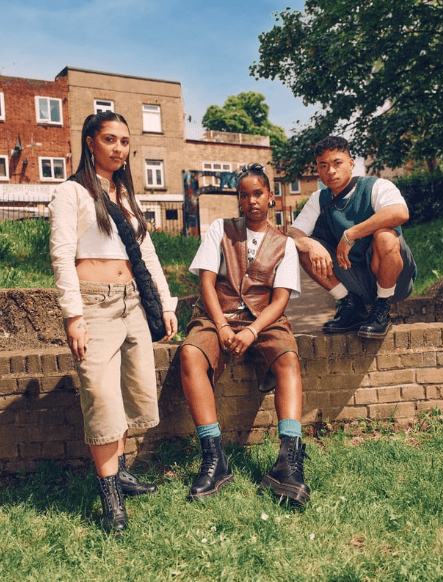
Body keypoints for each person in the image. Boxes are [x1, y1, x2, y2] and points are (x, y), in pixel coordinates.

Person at [49, 111, 178, 533]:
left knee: (127, 393)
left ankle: (120, 474)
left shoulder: (124, 194)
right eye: (110, 139)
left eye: (124, 141)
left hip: (133, 303)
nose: (119, 148)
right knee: (102, 400)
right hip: (95, 306)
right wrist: (73, 316)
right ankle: (111, 501)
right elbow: (62, 258)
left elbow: (147, 253)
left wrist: (166, 303)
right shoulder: (72, 192)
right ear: (90, 142)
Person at [179, 163, 310, 506]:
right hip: (217, 315)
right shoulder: (220, 229)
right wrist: (222, 325)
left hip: (263, 321)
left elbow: (280, 300)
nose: (251, 201)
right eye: (244, 195)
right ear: (238, 199)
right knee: (190, 353)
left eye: (258, 193)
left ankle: (289, 463)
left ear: (270, 196)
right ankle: (214, 459)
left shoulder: (285, 244)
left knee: (288, 357)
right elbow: (206, 283)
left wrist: (252, 331)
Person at [289, 136, 416, 338]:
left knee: (385, 236)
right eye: (323, 165)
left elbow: (400, 212)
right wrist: (310, 244)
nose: (331, 171)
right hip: (355, 280)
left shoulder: (376, 186)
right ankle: (350, 305)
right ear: (318, 169)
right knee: (302, 247)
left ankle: (382, 307)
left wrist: (351, 234)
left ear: (351, 163)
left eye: (337, 163)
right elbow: (293, 233)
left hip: (395, 280)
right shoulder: (318, 199)